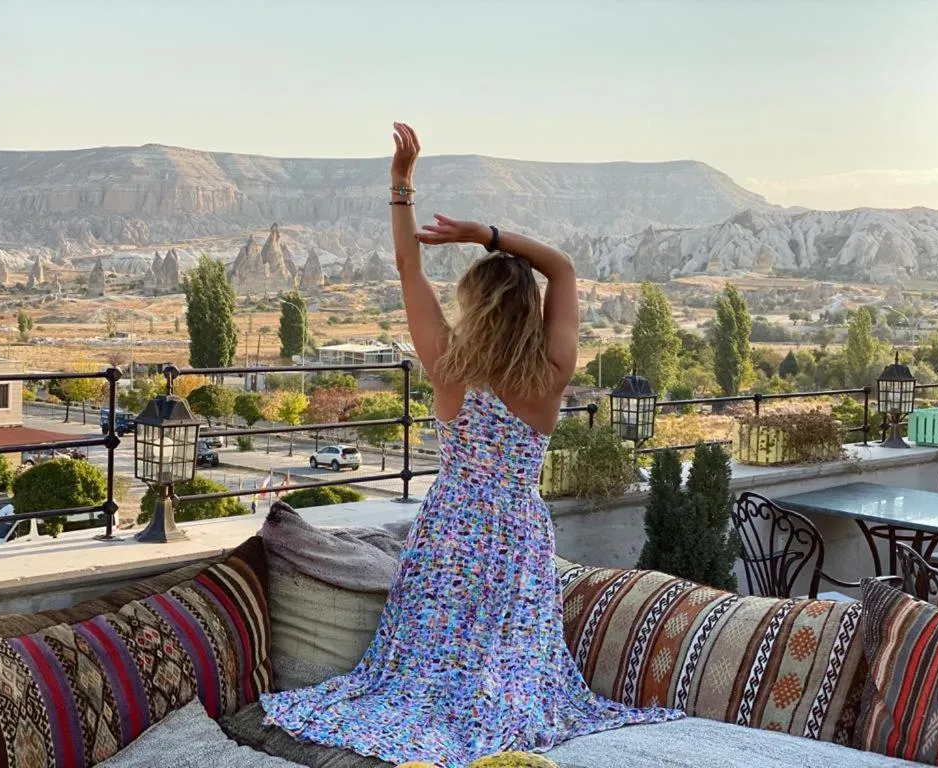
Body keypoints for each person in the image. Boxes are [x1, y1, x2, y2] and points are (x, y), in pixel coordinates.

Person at [260, 123, 682, 767]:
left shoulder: (447, 364)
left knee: (426, 666)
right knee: (506, 665)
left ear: (473, 306)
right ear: (530, 311)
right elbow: (563, 266)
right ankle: (495, 722)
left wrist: (402, 184)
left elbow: (407, 265)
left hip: (448, 529)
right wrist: (484, 234)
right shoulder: (551, 370)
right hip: (516, 531)